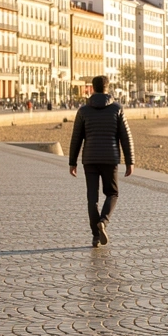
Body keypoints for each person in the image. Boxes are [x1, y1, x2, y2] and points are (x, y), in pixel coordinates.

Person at [68, 75, 135, 248]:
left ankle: (95, 236)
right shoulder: (117, 109)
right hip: (110, 157)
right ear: (107, 88)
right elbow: (125, 137)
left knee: (92, 198)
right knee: (112, 193)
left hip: (90, 158)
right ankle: (103, 222)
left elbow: (76, 138)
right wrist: (130, 161)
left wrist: (72, 162)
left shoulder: (83, 110)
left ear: (93, 88)